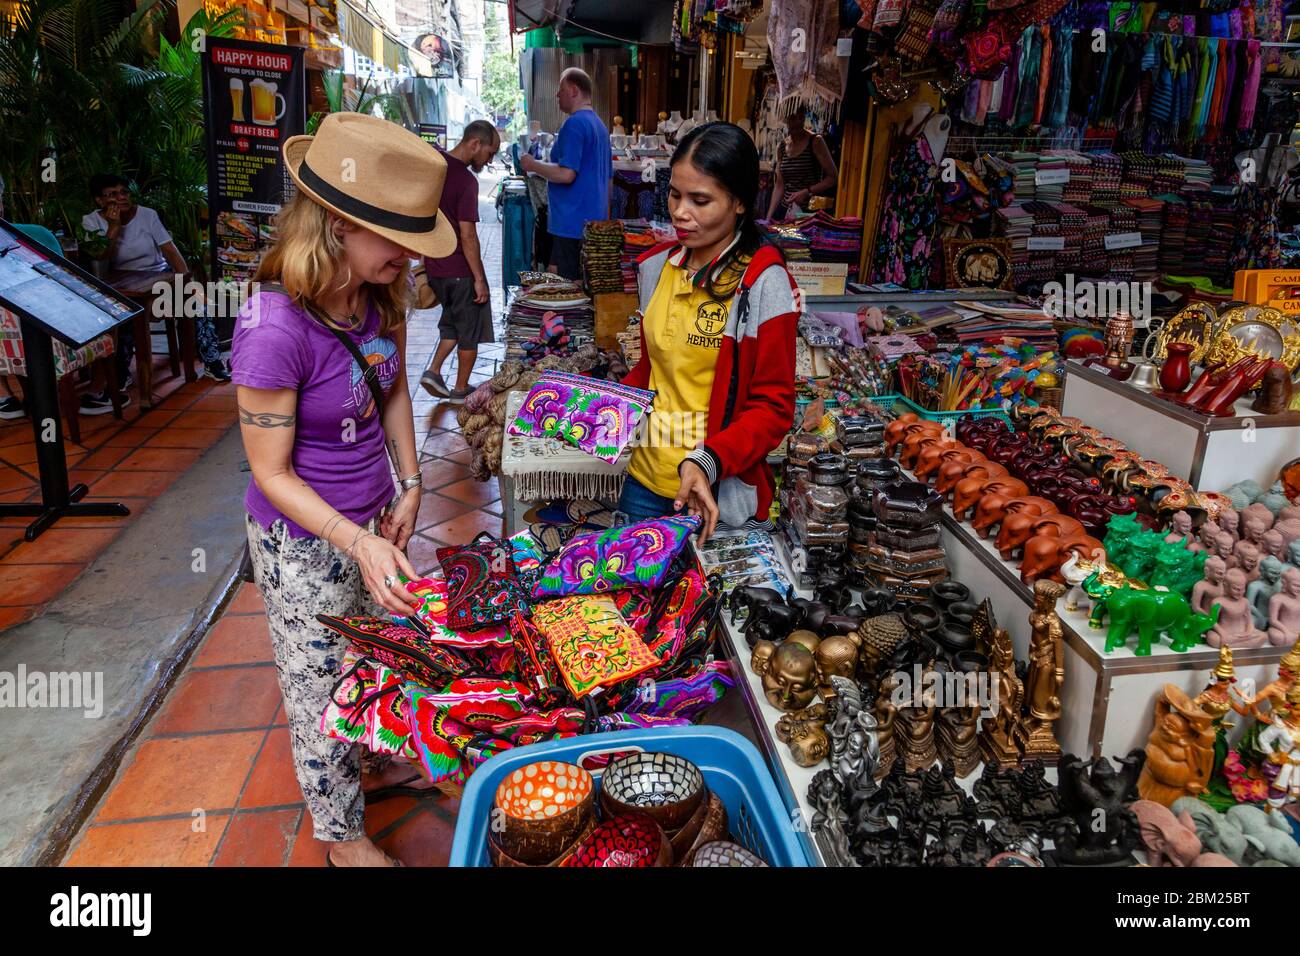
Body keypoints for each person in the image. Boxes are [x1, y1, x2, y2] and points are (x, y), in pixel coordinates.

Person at [231, 112, 458, 868]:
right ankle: (341, 837)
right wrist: (353, 538)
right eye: (399, 238)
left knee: (380, 649)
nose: (410, 257)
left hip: (371, 516)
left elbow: (390, 388)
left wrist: (412, 484)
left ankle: (372, 750)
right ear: (336, 224)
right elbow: (271, 471)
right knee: (315, 679)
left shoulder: (374, 295)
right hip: (303, 538)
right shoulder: (272, 326)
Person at [620, 122, 798, 543]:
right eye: (675, 195)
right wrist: (599, 409)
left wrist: (708, 460)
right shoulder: (655, 268)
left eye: (700, 200)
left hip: (714, 491)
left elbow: (774, 407)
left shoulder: (763, 282)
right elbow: (652, 372)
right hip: (644, 482)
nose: (681, 212)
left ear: (738, 202)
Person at [82, 173, 231, 391]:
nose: (121, 197)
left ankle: (212, 361)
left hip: (158, 278)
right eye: (112, 194)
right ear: (99, 200)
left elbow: (170, 251)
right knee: (120, 317)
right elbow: (101, 257)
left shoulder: (147, 216)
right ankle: (121, 373)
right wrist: (113, 227)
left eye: (124, 191)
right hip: (122, 286)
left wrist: (188, 281)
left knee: (195, 305)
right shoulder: (91, 221)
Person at [0, 173, 124, 419]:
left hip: (37, 323)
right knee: (107, 315)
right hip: (33, 328)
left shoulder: (33, 235)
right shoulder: (35, 234)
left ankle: (26, 396)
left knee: (108, 314)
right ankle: (95, 391)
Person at [418, 120, 499, 404]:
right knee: (470, 330)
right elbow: (468, 236)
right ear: (475, 144)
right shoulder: (466, 181)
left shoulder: (434, 165)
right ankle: (460, 388)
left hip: (435, 266)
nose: (488, 161)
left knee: (451, 322)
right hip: (459, 268)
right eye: (489, 153)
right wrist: (479, 278)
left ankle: (433, 371)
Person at [518, 68, 612, 280]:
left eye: (560, 90)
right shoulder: (600, 125)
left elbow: (567, 174)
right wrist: (603, 219)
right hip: (592, 223)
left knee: (566, 290)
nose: (556, 95)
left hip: (571, 223)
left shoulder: (575, 123)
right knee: (583, 286)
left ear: (573, 90)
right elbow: (608, 180)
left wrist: (533, 165)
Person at [765, 105, 838, 221]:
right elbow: (779, 185)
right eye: (794, 117)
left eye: (801, 116)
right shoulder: (782, 147)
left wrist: (807, 191)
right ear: (786, 118)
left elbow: (833, 177)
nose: (798, 121)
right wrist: (769, 217)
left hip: (810, 212)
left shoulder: (815, 141)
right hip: (787, 211)